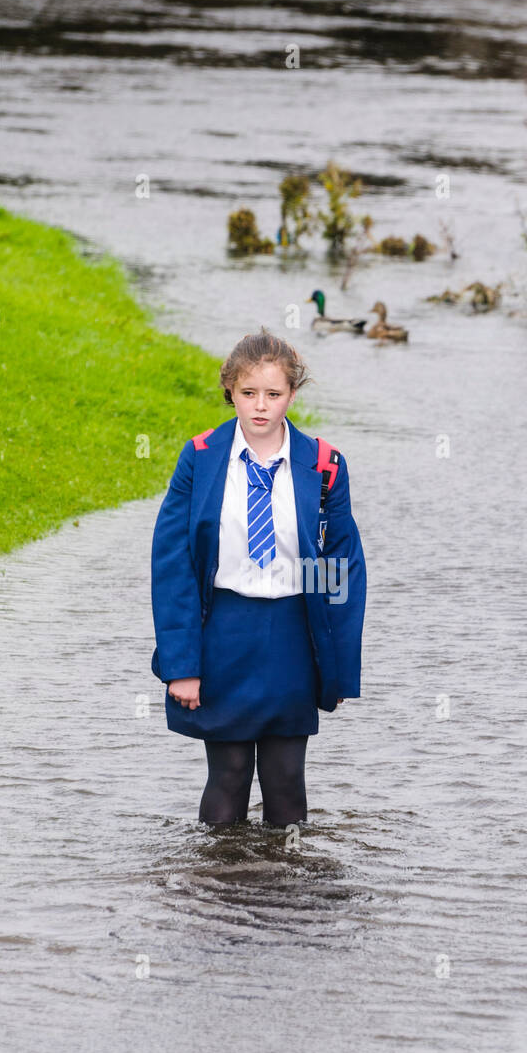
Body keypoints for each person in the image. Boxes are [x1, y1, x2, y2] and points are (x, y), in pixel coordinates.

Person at [150, 329, 366, 827]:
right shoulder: (201, 457)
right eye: (249, 394)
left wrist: (333, 665)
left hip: (292, 632)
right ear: (231, 392)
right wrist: (182, 664)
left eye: (273, 394)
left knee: (287, 777)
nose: (261, 407)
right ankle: (218, 893)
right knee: (227, 774)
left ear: (293, 394)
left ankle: (286, 895)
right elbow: (173, 564)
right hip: (223, 631)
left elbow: (338, 565)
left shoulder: (325, 465)